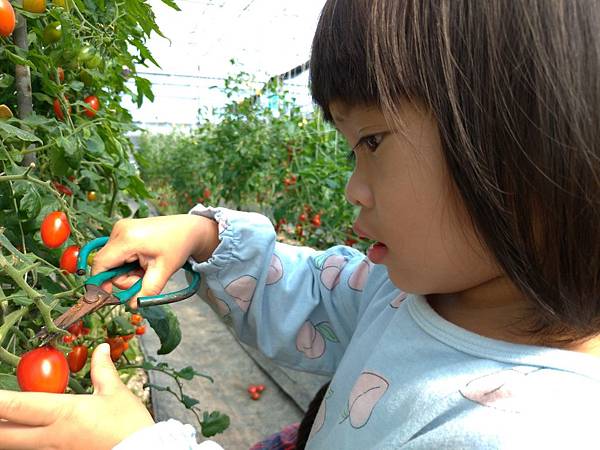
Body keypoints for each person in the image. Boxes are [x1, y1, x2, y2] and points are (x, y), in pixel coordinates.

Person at [1, 0, 600, 448]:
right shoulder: (405, 289)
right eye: (349, 149)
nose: (351, 188)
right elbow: (310, 290)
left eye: (371, 140)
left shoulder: (536, 430)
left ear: (523, 149)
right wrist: (202, 236)